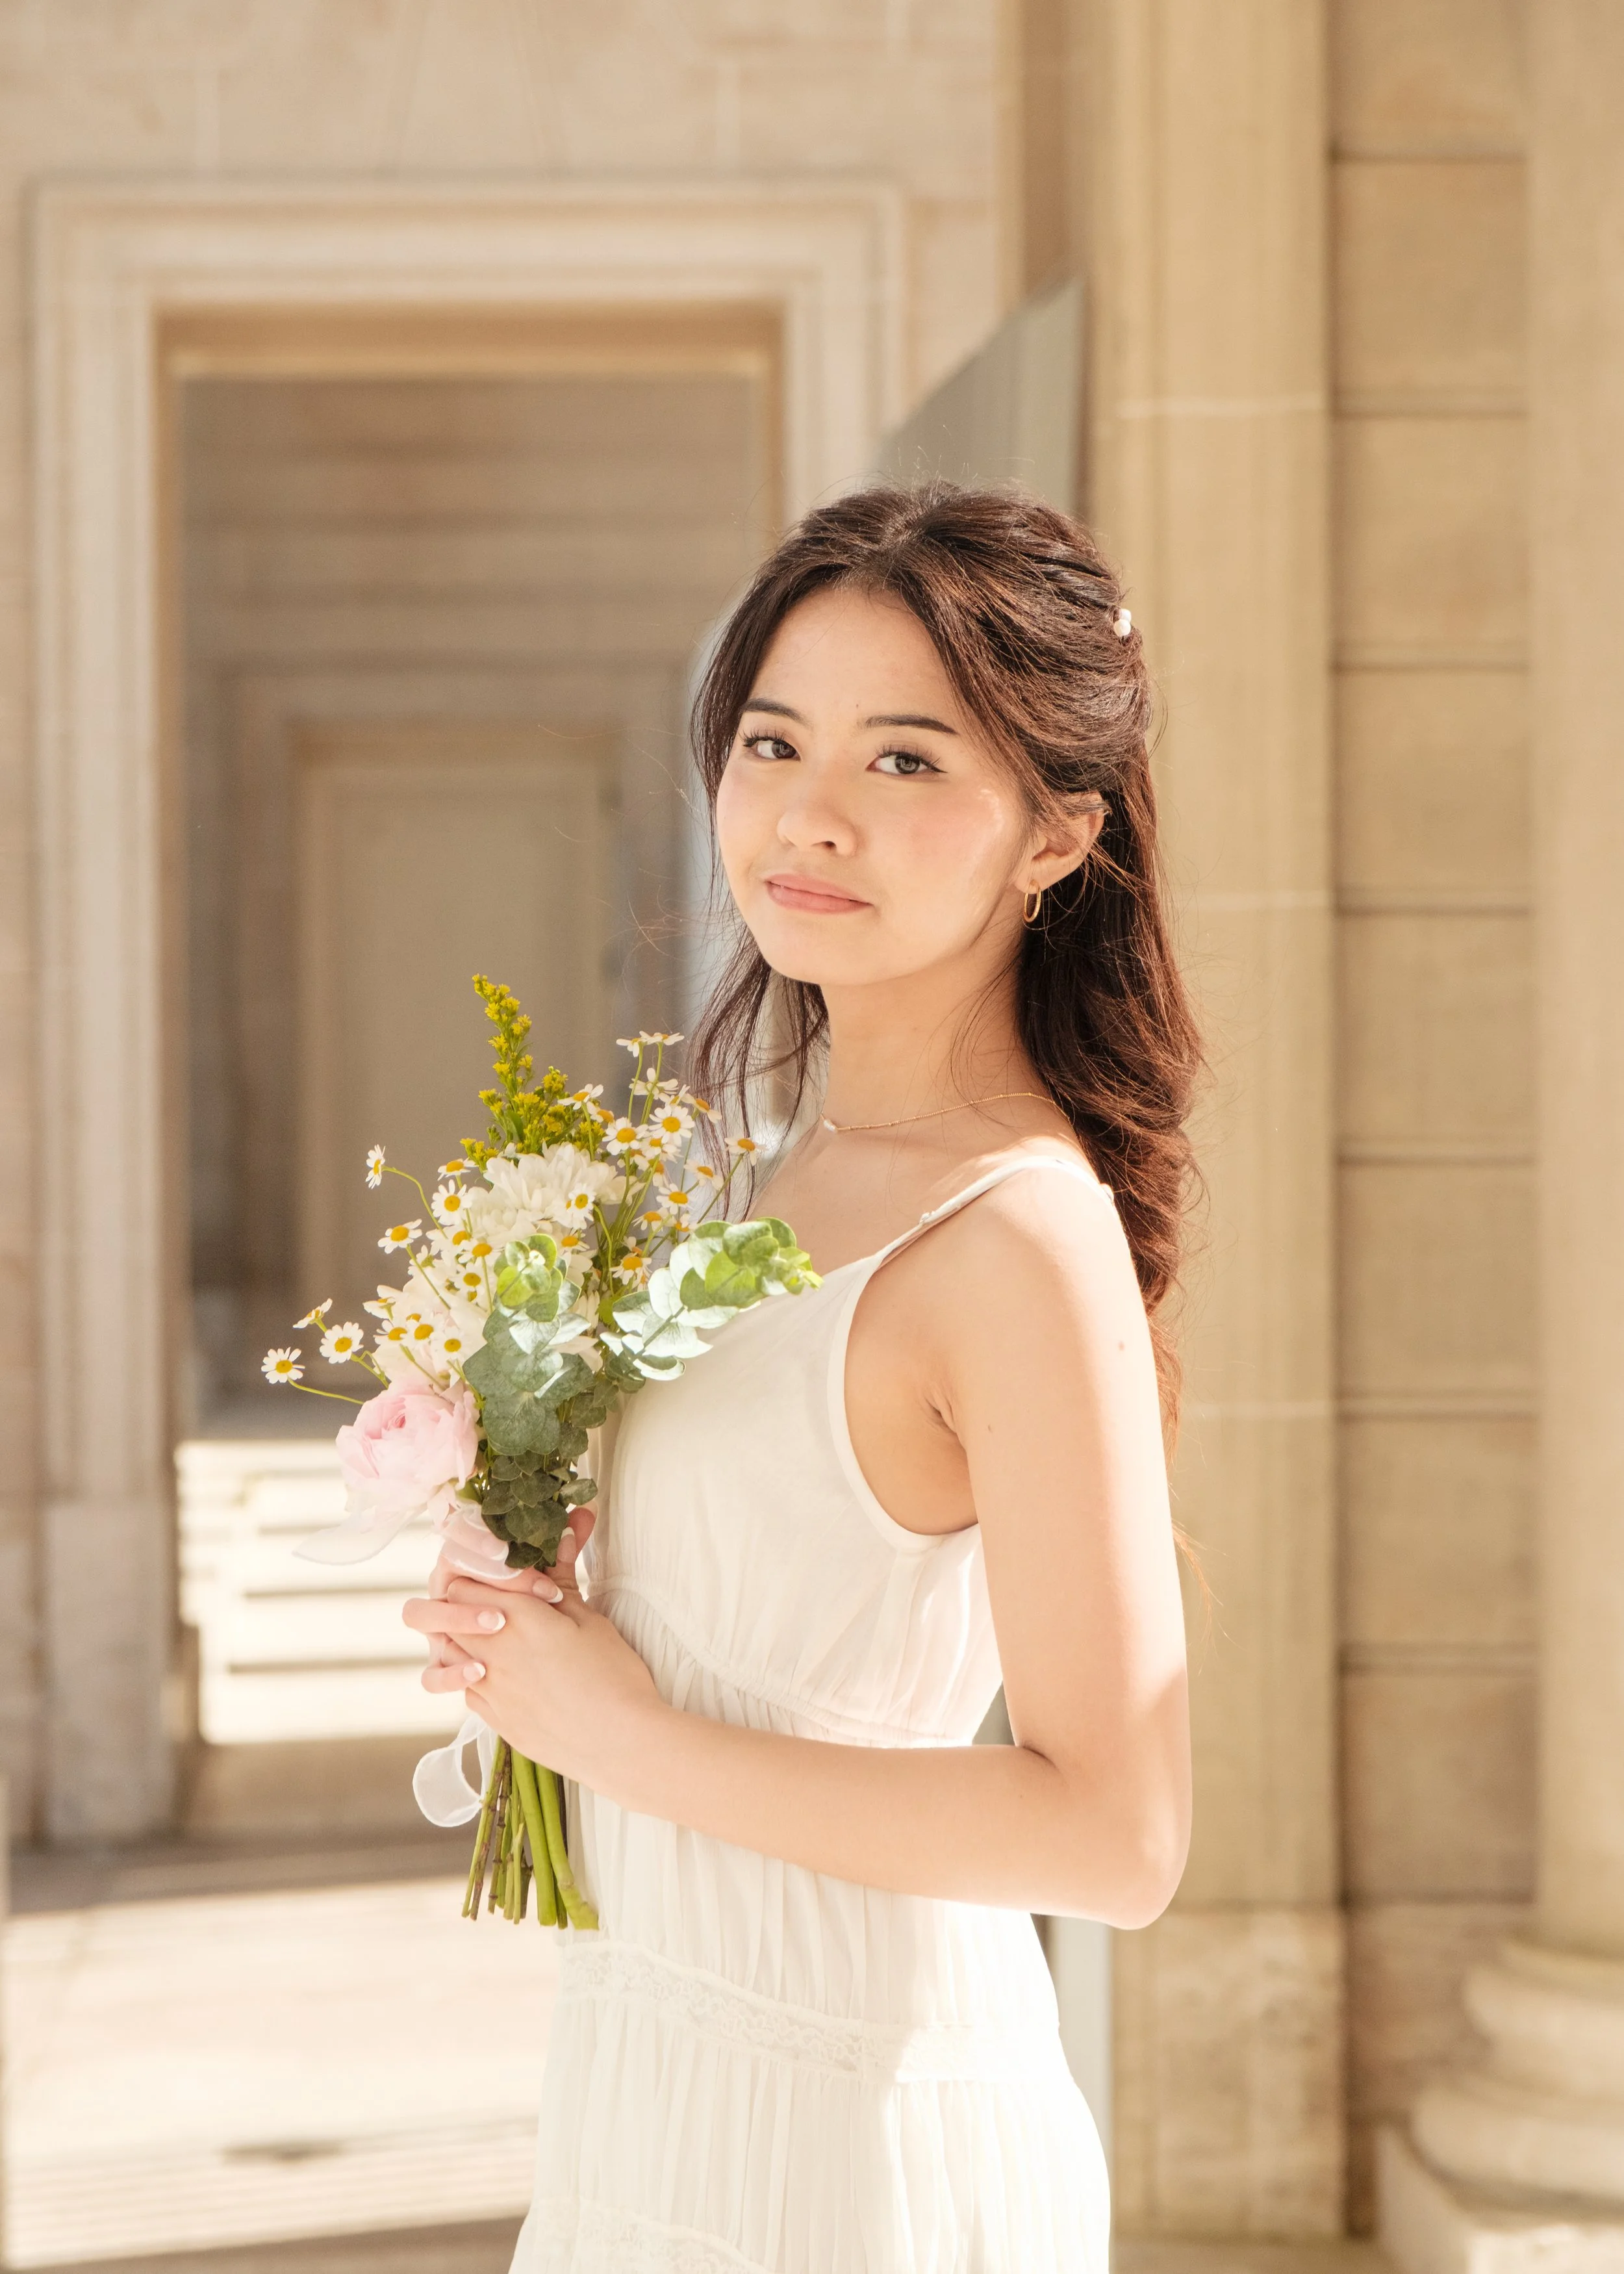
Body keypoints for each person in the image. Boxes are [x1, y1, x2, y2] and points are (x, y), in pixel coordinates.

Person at [405, 483, 1199, 2273]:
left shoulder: (1016, 1236)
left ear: (1054, 833)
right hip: (660, 2072)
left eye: (904, 759)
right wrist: (541, 1588)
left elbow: (1117, 1833)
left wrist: (622, 1732)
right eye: (773, 741)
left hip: (853, 2130)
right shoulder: (768, 1173)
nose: (809, 813)